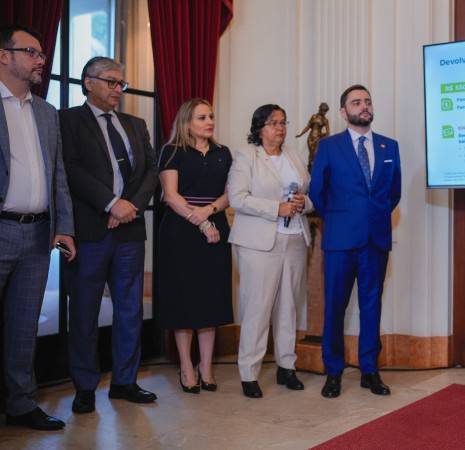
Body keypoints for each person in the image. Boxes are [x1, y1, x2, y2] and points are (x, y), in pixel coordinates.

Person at [0, 24, 76, 440]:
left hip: (37, 237)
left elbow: (58, 175)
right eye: (31, 52)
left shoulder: (46, 111)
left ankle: (20, 403)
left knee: (23, 326)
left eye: (42, 54)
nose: (40, 60)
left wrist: (64, 226)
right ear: (4, 55)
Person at [60, 56, 159, 414]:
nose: (119, 89)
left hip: (130, 230)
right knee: (85, 310)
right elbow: (69, 169)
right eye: (112, 82)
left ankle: (125, 381)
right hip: (88, 231)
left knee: (130, 309)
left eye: (122, 84)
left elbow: (150, 169)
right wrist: (110, 203)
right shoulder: (68, 120)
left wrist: (129, 206)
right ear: (89, 82)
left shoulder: (135, 123)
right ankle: (85, 387)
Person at [309, 85, 402, 398]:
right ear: (343, 111)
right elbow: (317, 194)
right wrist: (340, 219)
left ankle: (370, 371)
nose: (364, 106)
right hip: (339, 241)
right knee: (335, 307)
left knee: (371, 307)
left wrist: (369, 218)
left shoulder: (390, 147)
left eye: (368, 101)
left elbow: (393, 194)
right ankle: (333, 371)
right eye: (356, 102)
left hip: (376, 240)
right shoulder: (328, 146)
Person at [227, 104, 313, 398]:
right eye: (273, 123)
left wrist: (304, 204)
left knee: (288, 306)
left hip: (294, 239)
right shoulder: (246, 155)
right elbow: (237, 199)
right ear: (259, 128)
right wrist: (276, 208)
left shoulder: (293, 155)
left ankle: (286, 366)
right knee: (258, 308)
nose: (280, 128)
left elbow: (307, 195)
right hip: (258, 242)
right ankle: (249, 373)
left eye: (283, 122)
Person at [157, 98, 234, 394]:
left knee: (210, 298)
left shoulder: (222, 153)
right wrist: (201, 221)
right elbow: (171, 196)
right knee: (184, 298)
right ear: (187, 122)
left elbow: (230, 194)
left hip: (215, 226)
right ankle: (186, 367)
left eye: (211, 116)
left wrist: (210, 212)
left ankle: (206, 366)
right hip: (181, 230)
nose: (209, 121)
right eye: (202, 117)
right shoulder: (172, 151)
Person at [295, 102, 330, 170]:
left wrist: (322, 136)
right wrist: (300, 134)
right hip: (311, 137)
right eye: (323, 110)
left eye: (325, 111)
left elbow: (328, 132)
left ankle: (315, 169)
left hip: (318, 138)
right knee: (311, 154)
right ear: (320, 109)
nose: (324, 112)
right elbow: (307, 127)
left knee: (316, 154)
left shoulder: (325, 120)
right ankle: (309, 169)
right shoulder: (314, 117)